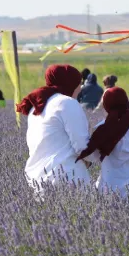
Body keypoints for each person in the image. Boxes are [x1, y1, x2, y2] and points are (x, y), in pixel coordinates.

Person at [18, 64, 90, 192]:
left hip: (38, 180)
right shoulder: (67, 103)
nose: (80, 88)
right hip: (68, 179)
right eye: (78, 84)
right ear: (71, 83)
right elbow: (82, 146)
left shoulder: (36, 106)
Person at [77, 87, 129, 197]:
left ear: (106, 106)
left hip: (108, 192)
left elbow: (91, 157)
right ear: (126, 102)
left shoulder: (101, 129)